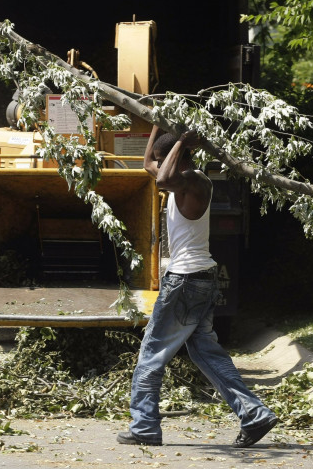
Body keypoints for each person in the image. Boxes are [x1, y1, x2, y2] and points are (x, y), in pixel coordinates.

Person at [117, 126, 278, 448]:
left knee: (151, 353)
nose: (161, 166)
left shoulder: (194, 181)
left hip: (186, 281)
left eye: (167, 160)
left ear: (179, 158)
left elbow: (161, 177)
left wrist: (178, 141)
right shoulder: (181, 180)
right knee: (207, 353)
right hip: (198, 279)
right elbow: (150, 165)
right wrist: (156, 124)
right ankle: (255, 415)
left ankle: (145, 426)